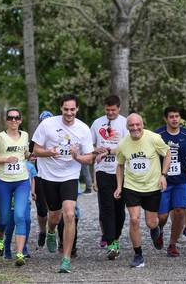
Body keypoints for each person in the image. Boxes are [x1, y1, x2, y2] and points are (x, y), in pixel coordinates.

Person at [32, 94, 94, 273]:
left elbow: (89, 158)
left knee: (69, 215)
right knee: (54, 216)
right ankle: (51, 231)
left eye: (72, 109)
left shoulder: (83, 129)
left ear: (77, 110)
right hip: (48, 176)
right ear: (61, 108)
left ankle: (66, 259)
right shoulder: (47, 125)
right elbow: (35, 150)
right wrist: (49, 153)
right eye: (66, 109)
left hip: (70, 176)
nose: (69, 113)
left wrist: (77, 157)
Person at [115, 113, 171, 268]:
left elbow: (167, 154)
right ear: (127, 127)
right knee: (134, 219)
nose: (135, 128)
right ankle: (138, 254)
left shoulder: (154, 138)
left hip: (152, 186)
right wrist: (119, 186)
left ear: (142, 125)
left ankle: (155, 228)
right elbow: (119, 166)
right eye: (131, 125)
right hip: (131, 186)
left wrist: (163, 175)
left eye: (137, 125)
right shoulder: (122, 144)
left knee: (151, 222)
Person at [0, 108, 30, 267]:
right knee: (4, 219)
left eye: (17, 118)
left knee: (20, 216)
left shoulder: (25, 135)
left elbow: (25, 153)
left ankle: (19, 253)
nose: (14, 120)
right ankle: (0, 239)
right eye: (10, 118)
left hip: (22, 181)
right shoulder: (0, 137)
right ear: (6, 120)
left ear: (20, 120)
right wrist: (6, 159)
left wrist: (28, 155)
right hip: (3, 182)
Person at [155, 107, 186, 257]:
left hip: (181, 181)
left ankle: (172, 244)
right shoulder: (158, 135)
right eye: (171, 117)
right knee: (162, 216)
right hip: (163, 181)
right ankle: (159, 230)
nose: (174, 119)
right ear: (165, 119)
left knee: (180, 211)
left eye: (177, 116)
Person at [90, 95, 128, 260]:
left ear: (119, 108)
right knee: (106, 208)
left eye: (113, 110)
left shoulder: (125, 123)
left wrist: (110, 151)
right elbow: (89, 145)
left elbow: (129, 145)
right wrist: (96, 150)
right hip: (103, 170)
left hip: (122, 171)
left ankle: (116, 237)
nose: (110, 112)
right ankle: (111, 242)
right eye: (107, 110)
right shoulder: (97, 123)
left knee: (119, 210)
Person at [4, 160, 37, 259]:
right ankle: (7, 248)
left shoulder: (30, 166)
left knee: (26, 221)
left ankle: (23, 248)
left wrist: (33, 191)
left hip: (25, 198)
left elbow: (32, 179)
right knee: (9, 225)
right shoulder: (8, 163)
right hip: (10, 199)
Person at [34, 110, 53, 249]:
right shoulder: (36, 138)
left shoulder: (58, 135)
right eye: (43, 122)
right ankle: (42, 231)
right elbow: (28, 155)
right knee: (41, 208)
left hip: (55, 176)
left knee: (56, 207)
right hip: (40, 175)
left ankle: (53, 231)